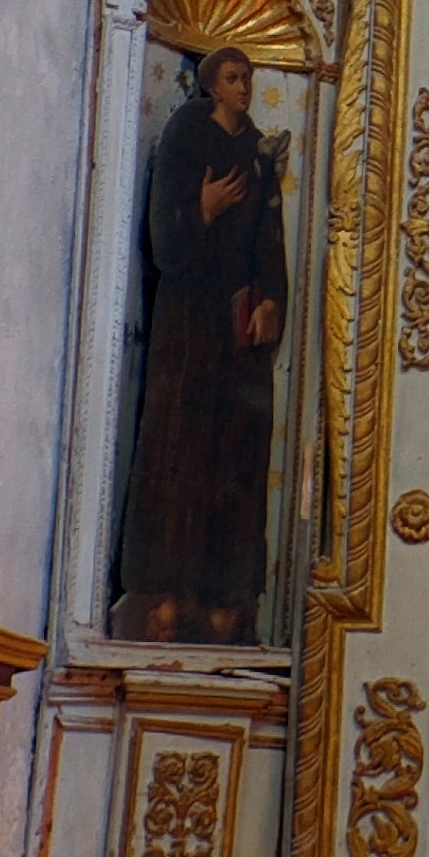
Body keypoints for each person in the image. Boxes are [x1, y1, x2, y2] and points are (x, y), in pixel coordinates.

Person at [112, 45, 288, 639]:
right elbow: (166, 241)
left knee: (236, 455)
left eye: (249, 77)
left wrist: (270, 300)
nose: (244, 86)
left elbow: (271, 236)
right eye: (234, 77)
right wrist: (203, 210)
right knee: (180, 450)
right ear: (213, 85)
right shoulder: (186, 136)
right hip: (189, 322)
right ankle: (164, 592)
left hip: (239, 329)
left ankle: (228, 596)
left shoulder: (257, 152)